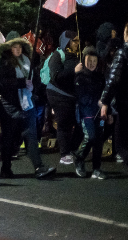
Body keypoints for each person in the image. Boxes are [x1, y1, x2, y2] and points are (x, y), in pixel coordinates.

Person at [0, 36, 56, 179]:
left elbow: (34, 79)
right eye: (14, 46)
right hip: (9, 106)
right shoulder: (2, 63)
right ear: (8, 47)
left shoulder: (27, 61)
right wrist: (20, 83)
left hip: (27, 104)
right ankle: (6, 168)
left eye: (19, 46)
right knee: (9, 138)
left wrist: (34, 87)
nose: (17, 49)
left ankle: (39, 167)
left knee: (31, 135)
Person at [100, 19, 128, 201]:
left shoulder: (124, 52)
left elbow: (113, 80)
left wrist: (105, 102)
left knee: (120, 144)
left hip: (127, 105)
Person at [46, 31, 81, 164]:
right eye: (74, 41)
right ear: (67, 42)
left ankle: (71, 149)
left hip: (71, 95)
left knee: (76, 123)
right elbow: (57, 76)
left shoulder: (74, 56)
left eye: (78, 41)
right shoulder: (57, 55)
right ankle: (64, 154)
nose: (77, 43)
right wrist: (74, 71)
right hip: (58, 94)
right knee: (64, 123)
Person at [73, 46, 106, 178]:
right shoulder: (79, 76)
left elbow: (105, 93)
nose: (91, 63)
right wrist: (96, 101)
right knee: (90, 136)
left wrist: (106, 108)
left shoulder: (100, 76)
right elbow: (80, 96)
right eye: (89, 60)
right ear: (83, 60)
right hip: (85, 112)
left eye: (94, 60)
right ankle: (79, 158)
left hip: (98, 112)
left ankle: (96, 168)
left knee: (99, 140)